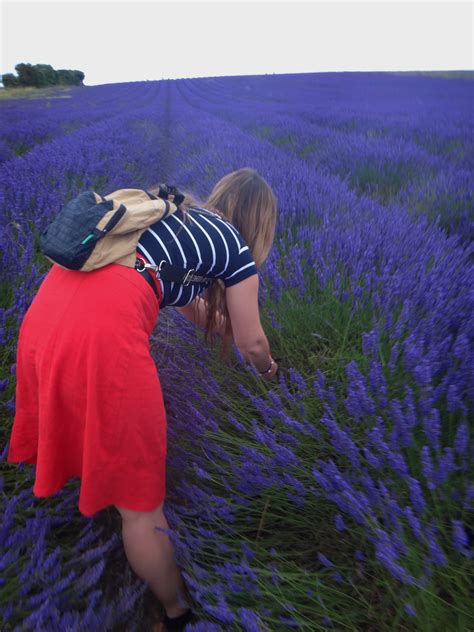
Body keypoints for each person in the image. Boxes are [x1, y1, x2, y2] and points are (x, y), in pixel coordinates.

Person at [6, 167, 278, 631]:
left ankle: (96, 508)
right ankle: (175, 611)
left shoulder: (174, 218)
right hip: (101, 339)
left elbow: (195, 308)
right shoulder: (232, 246)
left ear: (220, 197)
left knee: (87, 428)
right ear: (260, 224)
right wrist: (271, 375)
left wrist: (225, 326)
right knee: (141, 504)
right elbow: (252, 344)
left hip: (41, 324)